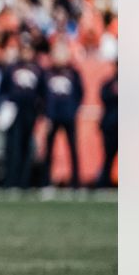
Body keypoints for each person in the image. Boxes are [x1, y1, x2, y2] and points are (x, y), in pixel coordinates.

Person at [0, 39, 46, 189]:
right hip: (14, 111)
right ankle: (11, 180)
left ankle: (24, 182)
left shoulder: (38, 70)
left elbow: (43, 93)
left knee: (26, 147)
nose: (26, 53)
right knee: (13, 146)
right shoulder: (12, 68)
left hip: (30, 111)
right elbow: (2, 90)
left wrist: (42, 112)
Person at [42, 43, 84, 188]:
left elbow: (80, 93)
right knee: (49, 151)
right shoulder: (47, 73)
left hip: (68, 116)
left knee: (72, 149)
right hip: (52, 117)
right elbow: (42, 96)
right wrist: (46, 114)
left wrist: (73, 110)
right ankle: (46, 182)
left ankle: (76, 183)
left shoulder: (73, 73)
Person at [97, 65, 117, 188]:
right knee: (108, 157)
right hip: (110, 125)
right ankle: (104, 183)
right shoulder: (109, 84)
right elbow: (104, 97)